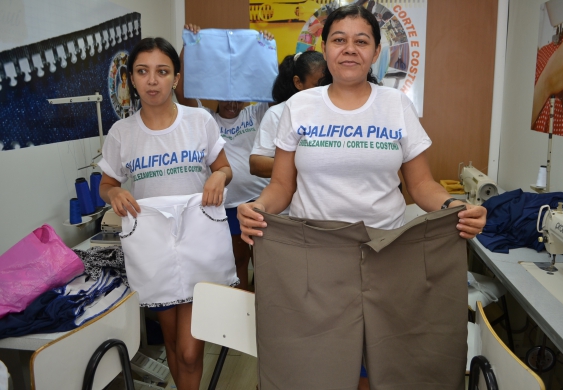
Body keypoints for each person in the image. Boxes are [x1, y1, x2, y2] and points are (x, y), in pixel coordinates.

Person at [237, 5, 487, 390]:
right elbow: (282, 187)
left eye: (361, 41)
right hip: (313, 255)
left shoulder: (396, 106)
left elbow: (421, 186)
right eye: (339, 40)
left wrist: (453, 206)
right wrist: (257, 208)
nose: (349, 49)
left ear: (375, 51)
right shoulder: (299, 107)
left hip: (387, 254)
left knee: (386, 360)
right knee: (318, 362)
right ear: (325, 48)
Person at [98, 37, 232, 390]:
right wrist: (114, 191)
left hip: (198, 241)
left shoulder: (199, 120)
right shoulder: (121, 133)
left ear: (175, 77)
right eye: (143, 72)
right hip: (153, 247)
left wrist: (218, 175)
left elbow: (224, 168)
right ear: (132, 78)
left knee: (189, 350)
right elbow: (106, 183)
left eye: (162, 72)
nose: (152, 80)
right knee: (171, 341)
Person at [176, 24, 274, 290]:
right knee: (238, 262)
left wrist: (264, 50)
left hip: (260, 201)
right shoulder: (206, 119)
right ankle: (242, 316)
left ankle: (265, 314)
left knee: (267, 265)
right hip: (226, 206)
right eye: (226, 98)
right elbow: (182, 94)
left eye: (238, 98)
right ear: (217, 95)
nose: (232, 103)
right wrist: (190, 47)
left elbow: (274, 90)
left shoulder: (255, 113)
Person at [250, 50, 326, 178]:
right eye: (318, 85)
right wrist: (303, 166)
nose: (323, 89)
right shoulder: (278, 113)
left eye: (328, 83)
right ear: (298, 83)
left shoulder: (334, 110)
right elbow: (256, 164)